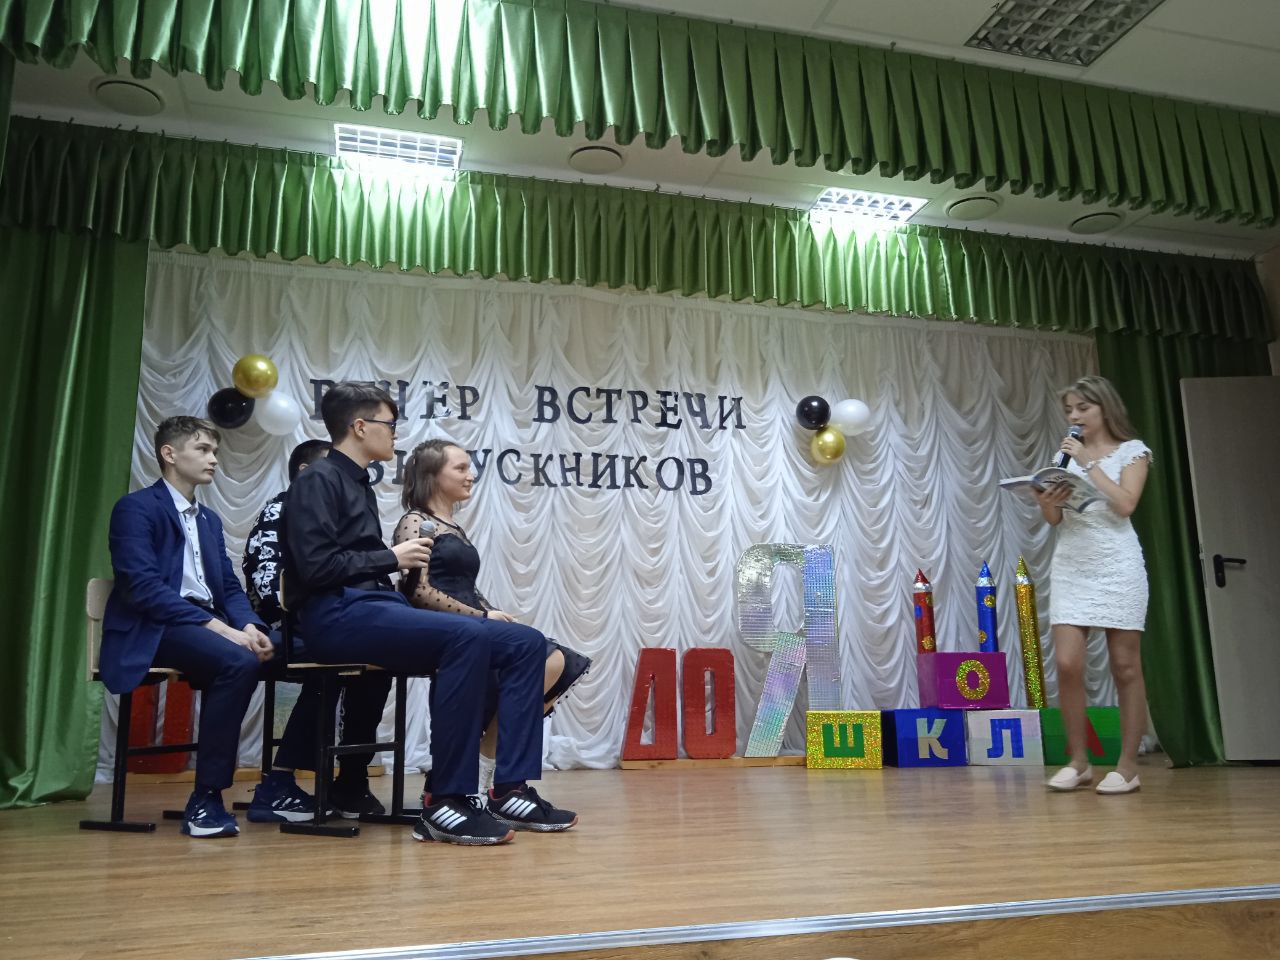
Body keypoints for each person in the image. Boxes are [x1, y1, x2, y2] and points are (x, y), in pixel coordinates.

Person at [282, 382, 578, 844]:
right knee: (468, 634)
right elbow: (315, 567)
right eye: (388, 424)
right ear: (359, 427)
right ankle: (445, 799)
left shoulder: (357, 483)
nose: (394, 433)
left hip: (371, 609)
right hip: (336, 616)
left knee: (527, 643)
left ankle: (509, 788)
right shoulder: (318, 480)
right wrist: (391, 558)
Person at [102, 417, 279, 837]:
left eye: (215, 451)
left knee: (272, 652)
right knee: (237, 662)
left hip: (201, 625)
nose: (213, 459)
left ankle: (279, 787)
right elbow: (142, 588)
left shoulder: (209, 520)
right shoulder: (135, 508)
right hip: (154, 625)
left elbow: (228, 586)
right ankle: (206, 799)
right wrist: (222, 630)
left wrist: (249, 624)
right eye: (203, 449)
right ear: (169, 453)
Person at [393, 439, 592, 796]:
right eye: (460, 468)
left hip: (471, 620)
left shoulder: (454, 527)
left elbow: (465, 586)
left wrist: (493, 612)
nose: (470, 475)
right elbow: (417, 592)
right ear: (432, 475)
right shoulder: (415, 521)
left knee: (555, 662)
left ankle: (485, 761)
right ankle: (482, 768)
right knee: (544, 657)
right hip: (444, 628)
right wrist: (482, 615)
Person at [242, 438, 393, 821]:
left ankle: (351, 779)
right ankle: (279, 782)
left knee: (379, 663)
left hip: (333, 625)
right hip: (285, 630)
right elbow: (270, 587)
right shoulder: (280, 509)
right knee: (333, 660)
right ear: (308, 475)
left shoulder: (339, 518)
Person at [1035, 376, 1152, 795]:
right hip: (1072, 564)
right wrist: (1046, 502)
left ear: (1104, 407)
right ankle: (1079, 762)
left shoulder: (1132, 451)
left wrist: (1088, 462)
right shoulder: (1064, 457)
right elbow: (1056, 520)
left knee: (1125, 666)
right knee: (1068, 664)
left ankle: (1128, 766)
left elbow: (1125, 505)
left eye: (1082, 408)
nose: (1074, 416)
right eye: (1069, 410)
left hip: (1117, 563)